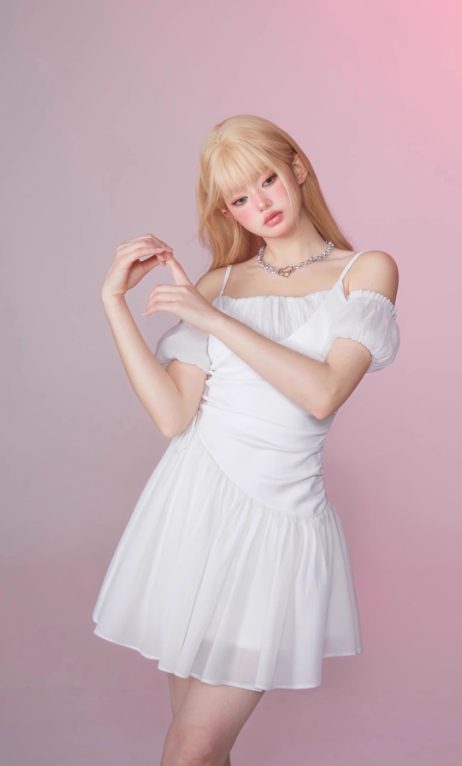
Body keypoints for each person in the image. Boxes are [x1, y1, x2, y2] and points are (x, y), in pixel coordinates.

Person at [93, 114, 401, 766]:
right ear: (225, 210)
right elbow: (174, 417)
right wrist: (114, 303)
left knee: (192, 750)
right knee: (198, 749)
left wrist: (213, 320)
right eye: (238, 198)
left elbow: (323, 392)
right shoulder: (220, 283)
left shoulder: (365, 270)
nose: (260, 204)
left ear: (297, 167)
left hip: (273, 527)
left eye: (266, 180)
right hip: (191, 514)